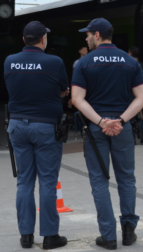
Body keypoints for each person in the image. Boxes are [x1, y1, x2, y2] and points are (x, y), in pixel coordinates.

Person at [71, 18, 143, 250]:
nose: (85, 38)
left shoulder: (84, 63)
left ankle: (108, 236)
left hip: (97, 129)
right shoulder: (130, 62)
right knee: (126, 179)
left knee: (99, 181)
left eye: (87, 35)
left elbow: (77, 99)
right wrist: (121, 120)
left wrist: (101, 121)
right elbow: (142, 97)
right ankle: (128, 230)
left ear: (96, 35)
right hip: (122, 129)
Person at [3, 21, 69, 250]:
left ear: (24, 40)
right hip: (45, 128)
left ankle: (26, 237)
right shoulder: (55, 62)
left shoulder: (10, 61)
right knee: (48, 182)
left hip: (18, 126)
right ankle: (50, 236)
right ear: (43, 39)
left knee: (24, 182)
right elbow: (63, 90)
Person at [128, 46, 143, 143]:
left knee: (130, 112)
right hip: (141, 91)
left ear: (130, 54)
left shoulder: (128, 64)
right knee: (138, 111)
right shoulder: (142, 65)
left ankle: (135, 135)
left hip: (131, 91)